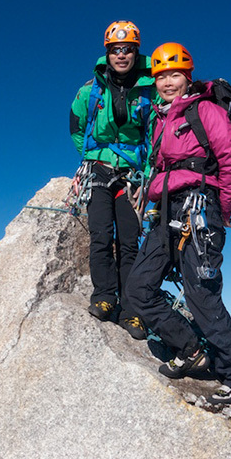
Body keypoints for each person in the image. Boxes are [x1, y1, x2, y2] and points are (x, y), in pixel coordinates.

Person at [125, 42, 231, 405]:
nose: (167, 82)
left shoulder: (205, 110)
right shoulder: (161, 118)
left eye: (175, 74)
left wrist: (223, 210)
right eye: (161, 75)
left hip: (199, 209)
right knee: (138, 289)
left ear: (188, 76)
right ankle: (189, 349)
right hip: (166, 211)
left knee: (202, 295)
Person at [69, 20, 155, 341]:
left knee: (130, 241)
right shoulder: (89, 92)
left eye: (128, 49)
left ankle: (132, 311)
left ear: (136, 52)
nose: (121, 55)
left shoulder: (150, 90)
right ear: (108, 52)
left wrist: (147, 171)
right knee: (101, 234)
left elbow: (157, 134)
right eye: (115, 49)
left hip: (133, 172)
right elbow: (77, 126)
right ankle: (105, 296)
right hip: (99, 169)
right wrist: (94, 156)